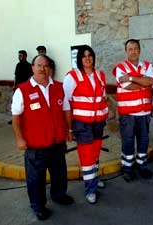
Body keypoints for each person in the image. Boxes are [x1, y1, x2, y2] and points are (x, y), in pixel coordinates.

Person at [11, 55, 74, 221]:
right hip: (35, 145)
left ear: (50, 69)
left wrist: (69, 129)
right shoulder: (22, 90)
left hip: (57, 142)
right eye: (39, 65)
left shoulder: (59, 87)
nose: (42, 69)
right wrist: (19, 139)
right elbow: (16, 118)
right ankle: (38, 206)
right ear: (32, 68)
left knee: (59, 173)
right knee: (36, 179)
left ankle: (59, 195)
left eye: (46, 66)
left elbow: (66, 109)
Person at [63, 45, 108, 204]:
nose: (87, 58)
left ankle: (94, 179)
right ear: (79, 59)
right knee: (87, 156)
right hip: (82, 124)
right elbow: (66, 104)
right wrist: (68, 128)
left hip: (98, 122)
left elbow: (102, 97)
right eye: (84, 56)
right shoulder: (72, 77)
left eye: (90, 55)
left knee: (95, 154)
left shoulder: (100, 75)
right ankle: (90, 189)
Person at [112, 39, 153, 182]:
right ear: (126, 51)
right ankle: (127, 169)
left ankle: (142, 166)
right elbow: (129, 87)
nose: (133, 51)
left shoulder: (148, 66)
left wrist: (130, 77)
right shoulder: (120, 67)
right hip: (128, 114)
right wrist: (142, 82)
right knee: (128, 142)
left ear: (140, 50)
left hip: (144, 113)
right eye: (130, 49)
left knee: (143, 141)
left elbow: (150, 82)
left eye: (135, 48)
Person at [8, 50, 33, 125]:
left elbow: (30, 77)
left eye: (21, 55)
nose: (19, 57)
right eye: (19, 56)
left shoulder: (29, 65)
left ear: (25, 56)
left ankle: (25, 119)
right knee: (15, 103)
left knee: (25, 103)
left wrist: (27, 86)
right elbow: (16, 75)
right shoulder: (18, 65)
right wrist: (14, 84)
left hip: (25, 87)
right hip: (17, 87)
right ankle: (14, 118)